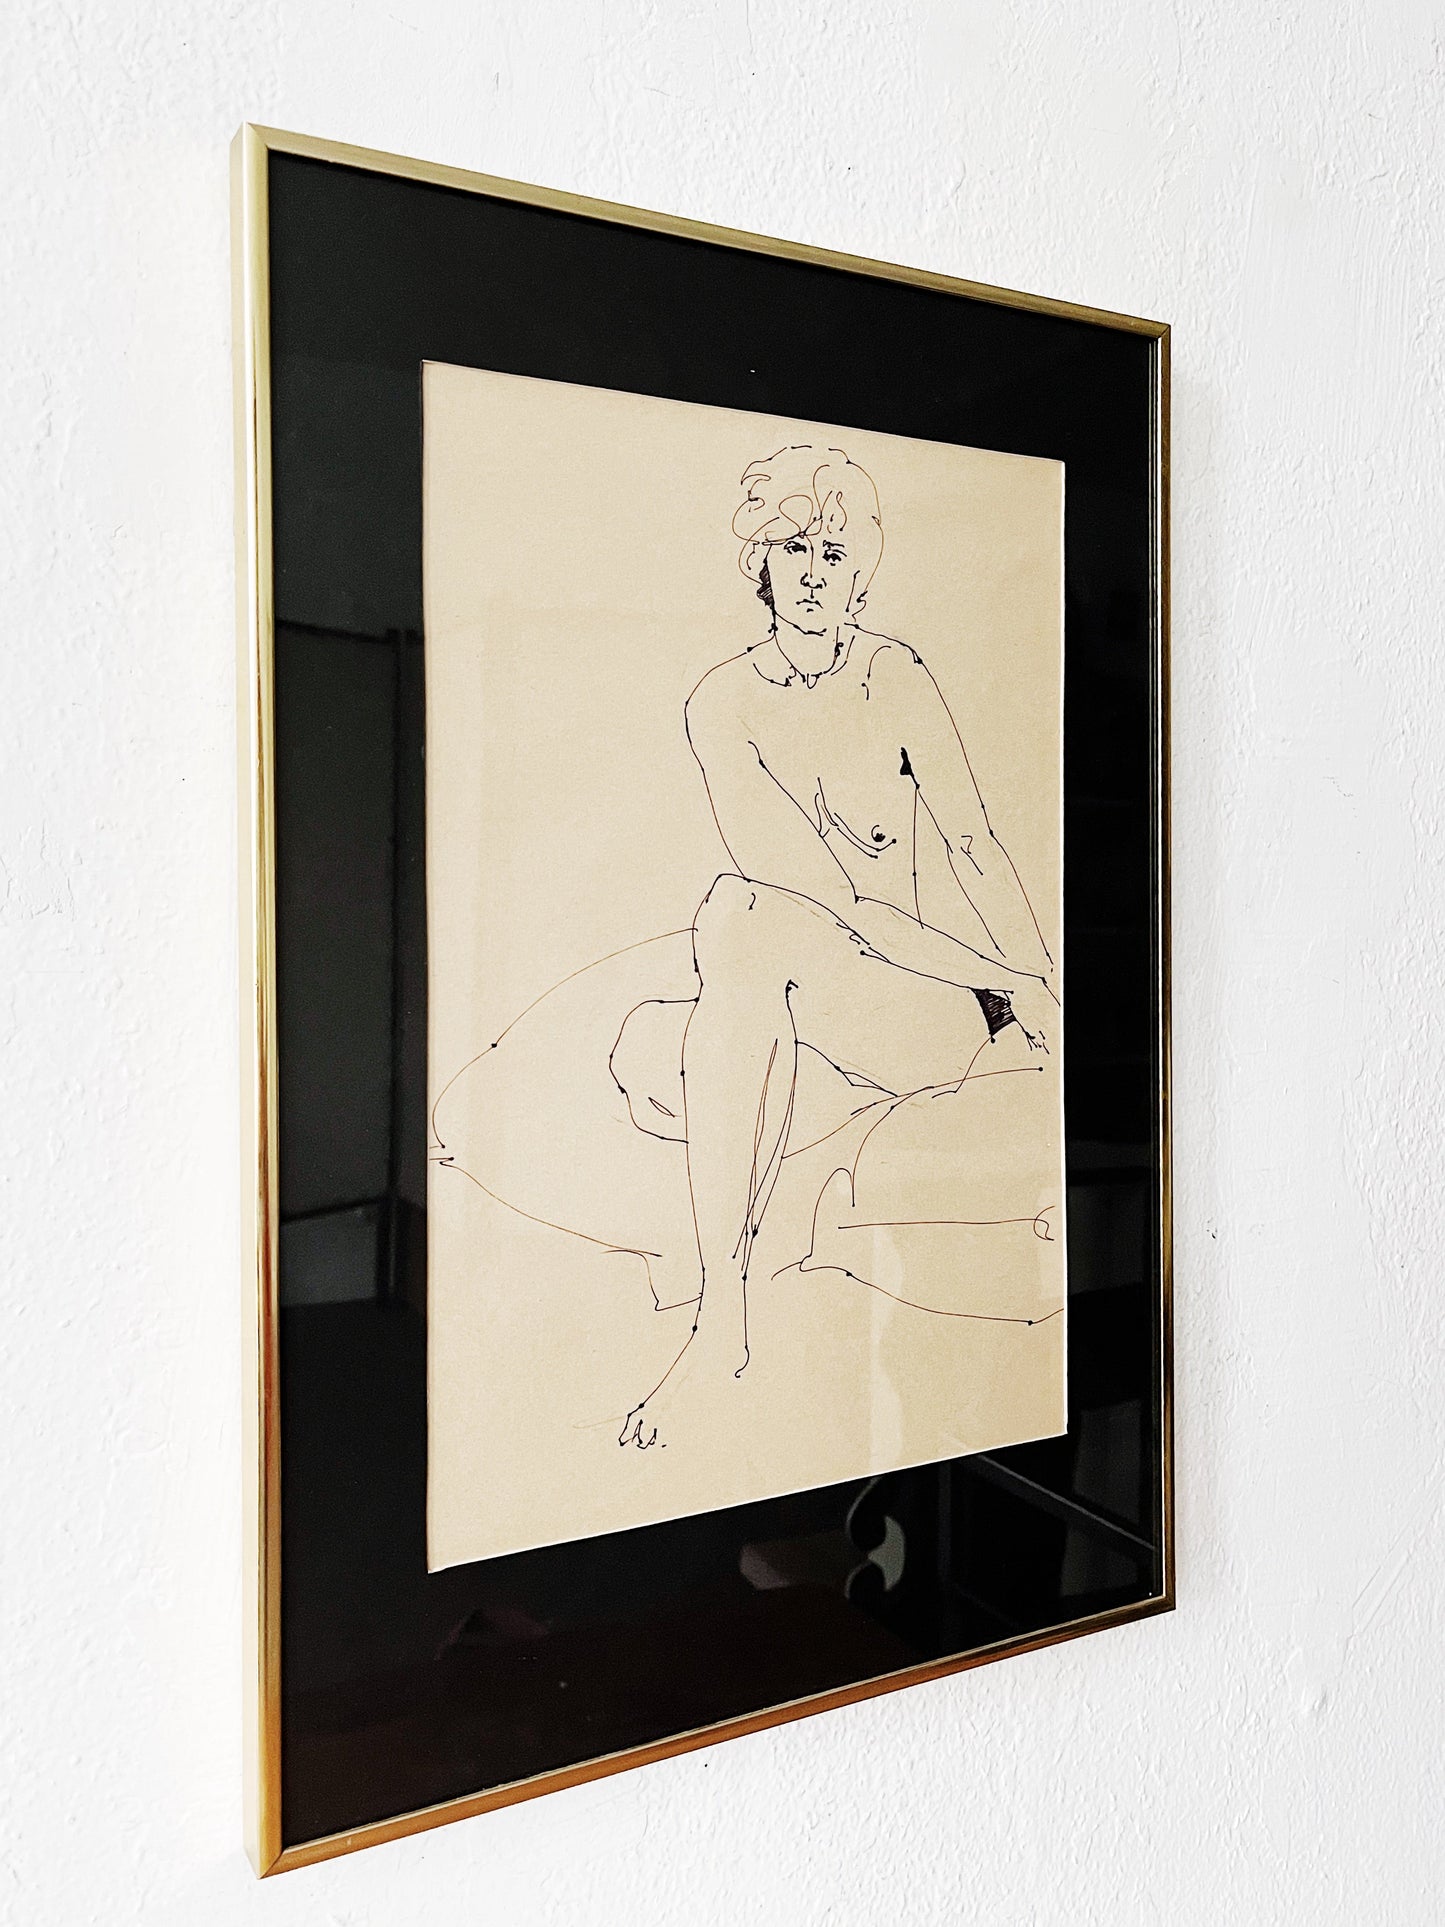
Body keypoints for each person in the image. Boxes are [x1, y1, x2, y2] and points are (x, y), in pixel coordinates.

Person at [612, 444, 1059, 1448]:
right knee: (739, 921)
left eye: (832, 550)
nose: (812, 572)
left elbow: (972, 843)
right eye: (791, 548)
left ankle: (717, 1320)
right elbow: (834, 899)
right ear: (758, 563)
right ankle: (721, 1311)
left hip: (919, 1006)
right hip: (822, 973)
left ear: (861, 567)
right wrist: (1011, 977)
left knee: (733, 929)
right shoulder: (721, 703)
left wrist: (1038, 986)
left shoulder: (893, 675)